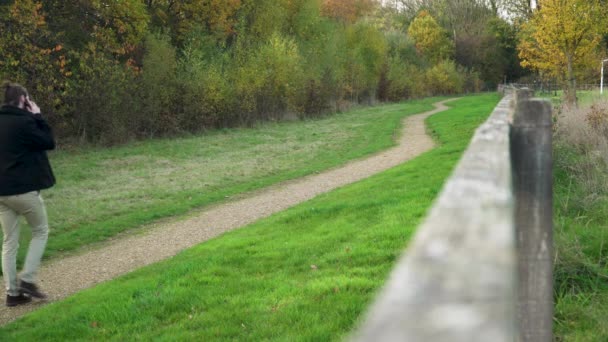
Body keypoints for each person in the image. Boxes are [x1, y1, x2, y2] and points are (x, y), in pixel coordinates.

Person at [0, 81, 55, 307]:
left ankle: (13, 293)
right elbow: (48, 141)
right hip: (23, 190)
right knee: (40, 231)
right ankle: (28, 280)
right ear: (24, 100)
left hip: (1, 193)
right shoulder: (25, 122)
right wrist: (38, 116)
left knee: (9, 242)